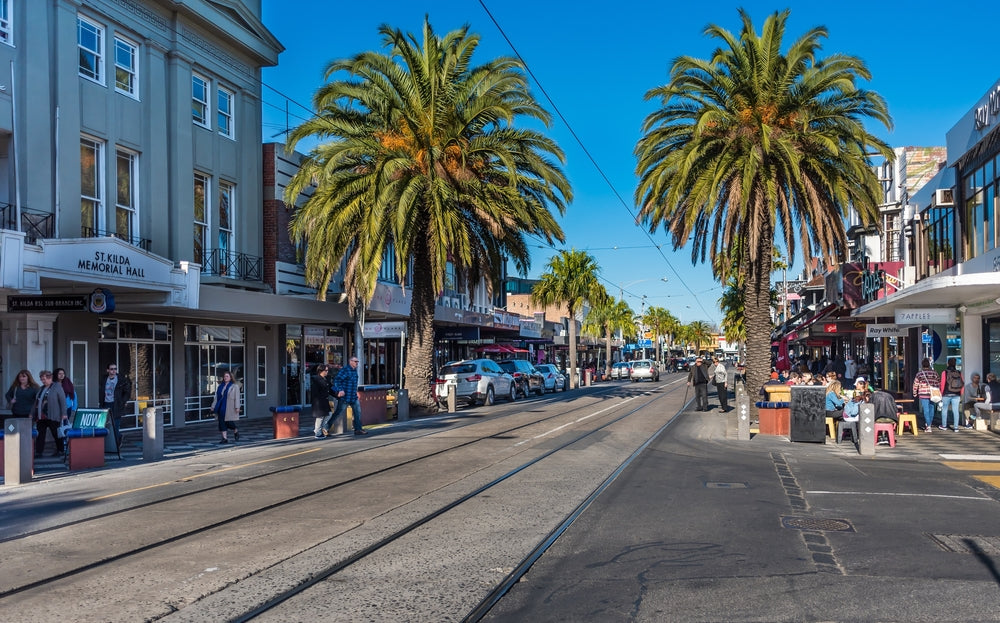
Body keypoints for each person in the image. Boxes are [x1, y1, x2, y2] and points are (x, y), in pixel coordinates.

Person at [32, 370, 67, 457]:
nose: (43, 381)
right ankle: (39, 452)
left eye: (44, 379)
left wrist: (64, 413)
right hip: (41, 416)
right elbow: (37, 401)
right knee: (40, 434)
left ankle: (60, 450)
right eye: (42, 379)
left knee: (56, 433)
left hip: (53, 415)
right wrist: (32, 413)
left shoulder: (57, 387)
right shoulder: (41, 388)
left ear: (50, 378)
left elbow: (62, 401)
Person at [330, 356, 367, 435]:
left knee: (358, 412)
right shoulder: (345, 370)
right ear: (350, 361)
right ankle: (326, 427)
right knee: (338, 413)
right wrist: (340, 390)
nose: (357, 363)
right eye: (355, 361)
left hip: (353, 396)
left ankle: (358, 429)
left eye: (357, 362)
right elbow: (337, 380)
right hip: (345, 397)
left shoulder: (354, 371)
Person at [100, 363, 131, 449]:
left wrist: (123, 401)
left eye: (115, 369)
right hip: (106, 403)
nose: (113, 371)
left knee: (116, 424)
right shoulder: (104, 379)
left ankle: (117, 442)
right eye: (111, 369)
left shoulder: (121, 380)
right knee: (104, 423)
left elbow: (127, 392)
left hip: (116, 404)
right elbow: (101, 391)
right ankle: (108, 443)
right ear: (108, 370)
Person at [210, 371, 241, 444]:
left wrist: (237, 407)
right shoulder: (220, 386)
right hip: (221, 406)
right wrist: (213, 406)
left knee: (228, 421)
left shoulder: (234, 386)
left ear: (230, 378)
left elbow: (237, 397)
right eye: (224, 376)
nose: (225, 378)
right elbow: (217, 397)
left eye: (227, 376)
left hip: (230, 406)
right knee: (221, 422)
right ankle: (224, 438)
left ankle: (235, 429)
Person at [912, 358, 939, 432]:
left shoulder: (919, 374)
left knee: (926, 409)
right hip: (932, 393)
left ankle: (928, 425)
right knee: (931, 408)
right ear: (929, 364)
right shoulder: (934, 373)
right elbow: (937, 383)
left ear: (922, 365)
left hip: (923, 393)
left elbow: (915, 384)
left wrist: (914, 393)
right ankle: (929, 423)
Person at [939, 358, 964, 431]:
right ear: (955, 364)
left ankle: (944, 426)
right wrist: (960, 393)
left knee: (944, 409)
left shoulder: (945, 372)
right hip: (957, 394)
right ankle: (956, 427)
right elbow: (962, 383)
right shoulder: (959, 372)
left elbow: (942, 384)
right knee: (955, 410)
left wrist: (941, 393)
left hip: (946, 394)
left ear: (948, 364)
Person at [310, 364, 332, 438]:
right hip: (319, 401)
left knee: (329, 414)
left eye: (327, 370)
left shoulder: (325, 379)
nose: (327, 372)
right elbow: (315, 392)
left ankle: (322, 428)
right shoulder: (316, 380)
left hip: (324, 400)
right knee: (320, 417)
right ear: (320, 371)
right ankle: (317, 432)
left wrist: (337, 394)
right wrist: (317, 400)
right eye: (325, 370)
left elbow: (330, 388)